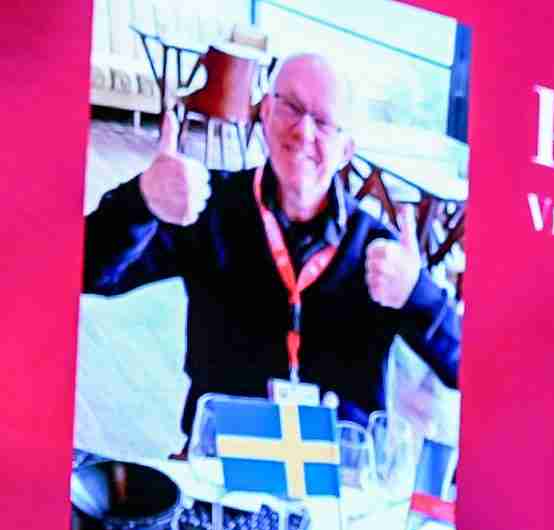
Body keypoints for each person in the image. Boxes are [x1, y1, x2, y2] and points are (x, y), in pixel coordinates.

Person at [83, 53, 461, 439]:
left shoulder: (377, 253)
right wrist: (140, 202)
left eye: (324, 122)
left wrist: (419, 295)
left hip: (338, 461)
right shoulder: (208, 208)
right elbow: (85, 272)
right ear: (265, 113)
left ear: (346, 150)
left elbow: (464, 369)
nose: (303, 132)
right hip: (223, 448)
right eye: (290, 107)